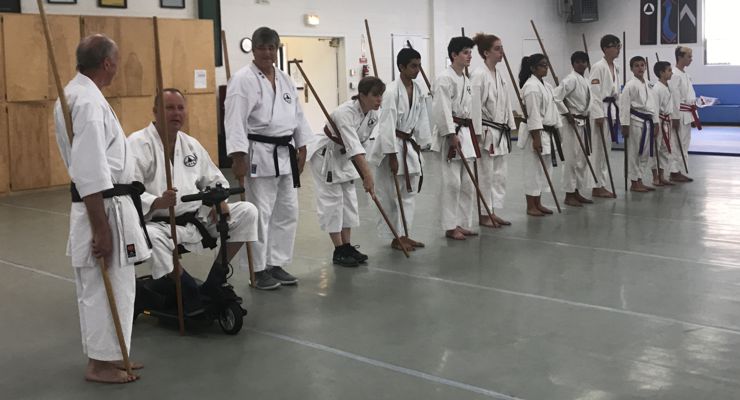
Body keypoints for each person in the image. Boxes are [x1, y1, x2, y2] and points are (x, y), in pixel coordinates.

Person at [54, 34, 151, 383]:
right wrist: (101, 228)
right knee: (101, 287)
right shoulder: (87, 103)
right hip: (103, 206)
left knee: (120, 286)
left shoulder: (78, 94)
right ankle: (99, 364)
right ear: (108, 63)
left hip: (111, 203)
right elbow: (90, 172)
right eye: (117, 60)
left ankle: (115, 354)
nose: (118, 67)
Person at [128, 88, 259, 307]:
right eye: (169, 108)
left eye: (180, 108)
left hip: (194, 220)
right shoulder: (138, 144)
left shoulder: (190, 144)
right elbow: (130, 190)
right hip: (157, 224)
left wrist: (220, 201)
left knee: (247, 211)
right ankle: (185, 286)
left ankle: (215, 281)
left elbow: (214, 178)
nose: (176, 113)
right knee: (152, 238)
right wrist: (157, 202)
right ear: (155, 111)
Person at [225, 27, 312, 290]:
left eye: (271, 47)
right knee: (260, 213)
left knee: (287, 210)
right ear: (253, 49)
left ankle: (276, 263)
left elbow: (297, 115)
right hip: (258, 153)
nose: (266, 52)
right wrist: (238, 156)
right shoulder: (242, 80)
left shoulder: (285, 78)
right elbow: (234, 120)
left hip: (285, 152)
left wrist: (303, 146)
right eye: (262, 47)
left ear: (277, 49)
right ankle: (258, 269)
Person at [307, 77, 383, 266]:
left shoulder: (373, 115)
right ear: (362, 95)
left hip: (346, 158)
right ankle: (338, 250)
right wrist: (368, 175)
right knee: (333, 201)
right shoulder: (344, 113)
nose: (379, 99)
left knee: (349, 200)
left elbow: (361, 145)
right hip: (327, 156)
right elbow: (353, 146)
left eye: (381, 95)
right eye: (375, 95)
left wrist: (365, 171)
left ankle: (347, 245)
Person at [367, 48, 429, 251]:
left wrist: (421, 142)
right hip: (391, 146)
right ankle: (395, 236)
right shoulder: (392, 91)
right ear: (401, 67)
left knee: (408, 194)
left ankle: (405, 234)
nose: (417, 70)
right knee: (391, 195)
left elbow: (421, 118)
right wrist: (392, 156)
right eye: (413, 66)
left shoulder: (418, 89)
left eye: (419, 65)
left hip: (408, 145)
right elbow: (386, 125)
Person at [431, 36, 482, 240]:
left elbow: (471, 111)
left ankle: (462, 222)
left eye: (470, 51)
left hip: (466, 133)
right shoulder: (445, 78)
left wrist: (473, 134)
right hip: (450, 135)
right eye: (465, 52)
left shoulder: (465, 79)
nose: (470, 56)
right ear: (454, 55)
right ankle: (450, 226)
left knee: (467, 182)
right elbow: (441, 108)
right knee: (451, 183)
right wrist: (451, 133)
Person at [470, 33, 516, 226]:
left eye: (502, 48)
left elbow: (506, 104)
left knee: (498, 175)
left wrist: (511, 126)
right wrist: (477, 134)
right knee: (485, 175)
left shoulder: (500, 76)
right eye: (497, 49)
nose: (501, 52)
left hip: (500, 131)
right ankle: (483, 214)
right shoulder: (479, 74)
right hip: (486, 132)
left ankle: (492, 211)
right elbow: (473, 106)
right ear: (486, 52)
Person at [517, 53, 563, 216]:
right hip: (536, 132)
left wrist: (558, 127)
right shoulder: (531, 87)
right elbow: (533, 114)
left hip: (547, 132)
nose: (546, 68)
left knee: (544, 170)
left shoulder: (547, 86)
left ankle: (538, 202)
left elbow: (554, 109)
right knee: (533, 170)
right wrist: (536, 138)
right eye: (543, 65)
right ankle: (530, 206)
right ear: (533, 68)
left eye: (547, 64)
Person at [554, 51, 595, 206]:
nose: (581, 64)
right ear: (573, 64)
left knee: (581, 160)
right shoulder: (570, 79)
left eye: (584, 62)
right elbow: (556, 97)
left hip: (583, 123)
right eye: (578, 62)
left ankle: (577, 190)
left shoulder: (585, 80)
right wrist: (566, 112)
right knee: (571, 160)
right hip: (571, 124)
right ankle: (569, 194)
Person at [588, 34, 621, 198]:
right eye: (615, 46)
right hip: (601, 112)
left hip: (611, 110)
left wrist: (620, 112)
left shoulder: (615, 67)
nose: (618, 49)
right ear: (605, 48)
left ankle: (602, 183)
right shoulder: (598, 67)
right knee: (598, 150)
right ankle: (596, 185)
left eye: (619, 45)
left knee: (606, 150)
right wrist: (598, 114)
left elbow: (617, 93)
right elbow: (594, 93)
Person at [620, 56, 659, 192]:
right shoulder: (630, 85)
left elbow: (653, 105)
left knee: (645, 153)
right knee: (634, 153)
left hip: (648, 122)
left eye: (642, 65)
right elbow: (624, 106)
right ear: (631, 69)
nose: (640, 68)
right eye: (636, 65)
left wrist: (656, 122)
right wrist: (624, 125)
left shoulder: (649, 84)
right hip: (635, 121)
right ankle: (634, 182)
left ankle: (640, 179)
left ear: (645, 67)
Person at [668, 46, 699, 182]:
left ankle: (678, 169)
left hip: (687, 113)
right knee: (676, 142)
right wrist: (674, 117)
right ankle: (674, 171)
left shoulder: (686, 75)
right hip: (679, 114)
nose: (691, 59)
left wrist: (694, 116)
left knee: (685, 143)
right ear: (680, 57)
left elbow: (690, 97)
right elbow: (674, 98)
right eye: (689, 56)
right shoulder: (674, 75)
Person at [651, 61, 675, 186]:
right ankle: (655, 177)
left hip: (667, 120)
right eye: (669, 70)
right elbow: (654, 108)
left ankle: (662, 175)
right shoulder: (657, 88)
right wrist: (655, 124)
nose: (671, 72)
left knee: (665, 149)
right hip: (659, 121)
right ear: (661, 73)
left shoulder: (667, 86)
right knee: (656, 148)